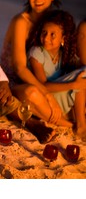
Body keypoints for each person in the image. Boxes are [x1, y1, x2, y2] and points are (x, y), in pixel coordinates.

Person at [0, 0, 73, 143]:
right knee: (32, 93)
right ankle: (69, 125)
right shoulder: (21, 21)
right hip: (13, 83)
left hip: (39, 81)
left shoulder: (52, 22)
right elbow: (19, 67)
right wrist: (47, 94)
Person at [28, 10, 86, 138]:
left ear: (63, 39)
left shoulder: (62, 55)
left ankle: (81, 120)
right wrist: (73, 84)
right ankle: (81, 126)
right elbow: (43, 86)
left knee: (83, 73)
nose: (46, 38)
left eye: (52, 34)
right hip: (45, 99)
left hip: (59, 99)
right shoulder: (37, 53)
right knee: (82, 75)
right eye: (44, 33)